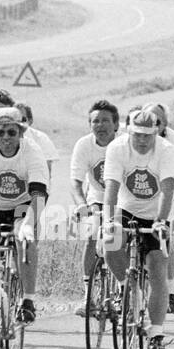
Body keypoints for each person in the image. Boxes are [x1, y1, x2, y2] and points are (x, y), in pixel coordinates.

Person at [102, 107, 174, 349]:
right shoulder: (117, 148)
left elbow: (167, 190)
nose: (143, 140)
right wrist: (109, 220)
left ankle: (156, 333)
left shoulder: (166, 150)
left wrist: (161, 222)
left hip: (157, 212)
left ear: (156, 133)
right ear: (129, 132)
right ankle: (129, 288)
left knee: (158, 266)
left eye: (148, 135)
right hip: (127, 208)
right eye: (138, 135)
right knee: (110, 243)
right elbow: (111, 188)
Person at [0, 107, 48, 323]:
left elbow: (38, 194)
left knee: (23, 238)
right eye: (0, 133)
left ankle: (27, 299)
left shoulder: (32, 152)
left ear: (21, 133)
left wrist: (28, 224)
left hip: (22, 204)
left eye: (11, 132)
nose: (6, 138)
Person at [70, 100, 120, 316]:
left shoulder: (124, 143)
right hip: (97, 198)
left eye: (106, 121)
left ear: (116, 125)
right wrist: (81, 204)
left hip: (124, 200)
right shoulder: (84, 145)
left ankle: (122, 290)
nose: (100, 125)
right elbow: (75, 181)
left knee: (120, 237)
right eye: (95, 121)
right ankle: (88, 294)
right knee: (92, 233)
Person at [148, 103, 174, 313]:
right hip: (149, 191)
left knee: (165, 238)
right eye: (150, 120)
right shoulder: (138, 136)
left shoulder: (172, 140)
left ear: (165, 124)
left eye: (158, 121)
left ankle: (171, 292)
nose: (153, 125)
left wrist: (163, 213)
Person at [16, 102, 60, 183]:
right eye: (15, 119)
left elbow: (46, 174)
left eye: (23, 119)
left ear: (30, 121)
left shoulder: (41, 139)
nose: (19, 123)